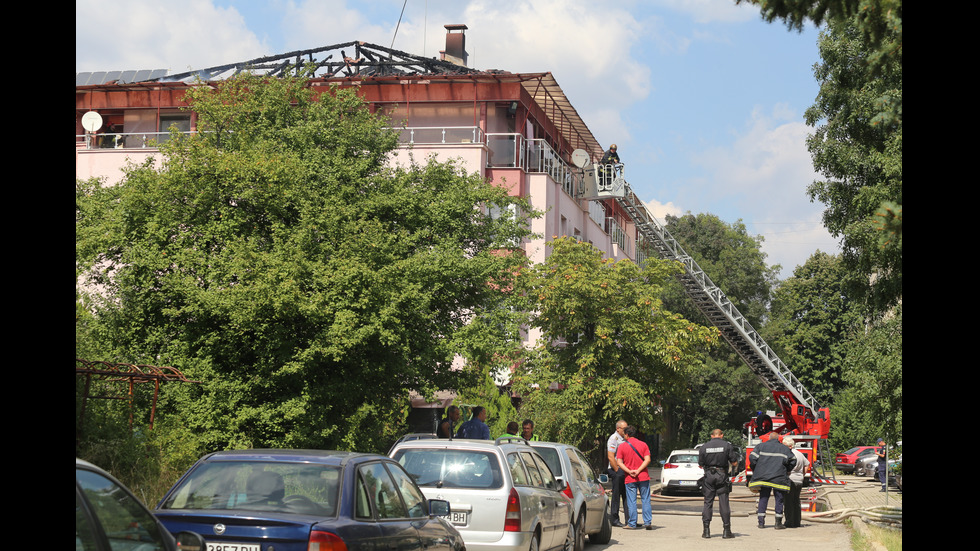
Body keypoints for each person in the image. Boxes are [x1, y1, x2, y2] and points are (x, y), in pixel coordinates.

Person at [748, 433, 796, 529]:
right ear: (779, 439)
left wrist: (756, 469)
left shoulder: (760, 446)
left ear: (769, 438)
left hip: (763, 478)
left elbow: (752, 458)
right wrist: (786, 470)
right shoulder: (784, 449)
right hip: (779, 478)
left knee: (763, 498)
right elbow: (793, 460)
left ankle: (761, 523)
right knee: (779, 500)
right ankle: (778, 523)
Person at [698, 429, 739, 539]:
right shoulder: (727, 445)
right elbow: (734, 462)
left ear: (712, 435)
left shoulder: (704, 446)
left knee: (707, 503)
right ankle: (727, 531)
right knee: (724, 502)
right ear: (721, 435)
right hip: (722, 475)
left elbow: (700, 464)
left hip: (709, 477)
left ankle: (706, 531)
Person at [615, 426, 652, 530]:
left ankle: (632, 523)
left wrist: (629, 471)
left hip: (630, 478)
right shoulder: (643, 444)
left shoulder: (622, 447)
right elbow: (647, 459)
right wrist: (639, 470)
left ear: (627, 435)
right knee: (646, 499)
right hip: (643, 476)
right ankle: (648, 522)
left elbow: (619, 462)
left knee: (631, 501)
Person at [606, 420, 629, 527]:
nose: (626, 431)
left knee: (627, 495)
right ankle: (614, 519)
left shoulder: (625, 439)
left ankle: (629, 520)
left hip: (624, 469)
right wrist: (617, 471)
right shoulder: (613, 439)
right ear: (618, 429)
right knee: (616, 494)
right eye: (624, 429)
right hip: (616, 469)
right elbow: (611, 456)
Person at [783, 436, 809, 529]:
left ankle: (789, 522)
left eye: (784, 445)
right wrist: (802, 474)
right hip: (799, 480)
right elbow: (807, 464)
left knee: (788, 501)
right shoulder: (800, 454)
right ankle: (797, 521)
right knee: (796, 501)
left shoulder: (789, 454)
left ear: (789, 446)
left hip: (791, 479)